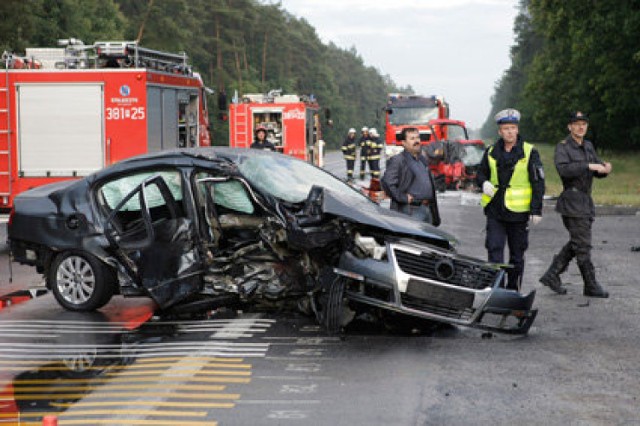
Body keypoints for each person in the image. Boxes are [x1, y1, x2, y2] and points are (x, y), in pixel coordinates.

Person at [539, 111, 612, 297]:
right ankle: (590, 285)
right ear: (569, 126)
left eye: (584, 124)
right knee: (583, 245)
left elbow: (597, 168)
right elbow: (564, 170)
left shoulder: (588, 146)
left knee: (578, 242)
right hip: (572, 201)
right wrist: (587, 166)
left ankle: (552, 274)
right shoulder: (563, 147)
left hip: (586, 201)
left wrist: (605, 169)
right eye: (577, 124)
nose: (581, 127)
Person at [476, 109, 545, 291]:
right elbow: (481, 172)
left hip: (519, 213)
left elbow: (538, 182)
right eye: (506, 128)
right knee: (494, 250)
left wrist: (536, 209)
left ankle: (513, 290)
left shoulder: (530, 152)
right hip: (495, 210)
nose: (509, 132)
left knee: (516, 255)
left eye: (513, 128)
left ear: (517, 129)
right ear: (500, 131)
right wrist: (483, 183)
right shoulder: (491, 151)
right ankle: (497, 289)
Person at [381, 127, 440, 226]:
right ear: (403, 143)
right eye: (412, 139)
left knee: (427, 240)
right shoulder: (398, 160)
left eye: (417, 138)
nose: (416, 141)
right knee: (412, 240)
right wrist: (403, 197)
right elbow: (387, 182)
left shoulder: (422, 160)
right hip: (410, 210)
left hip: (427, 209)